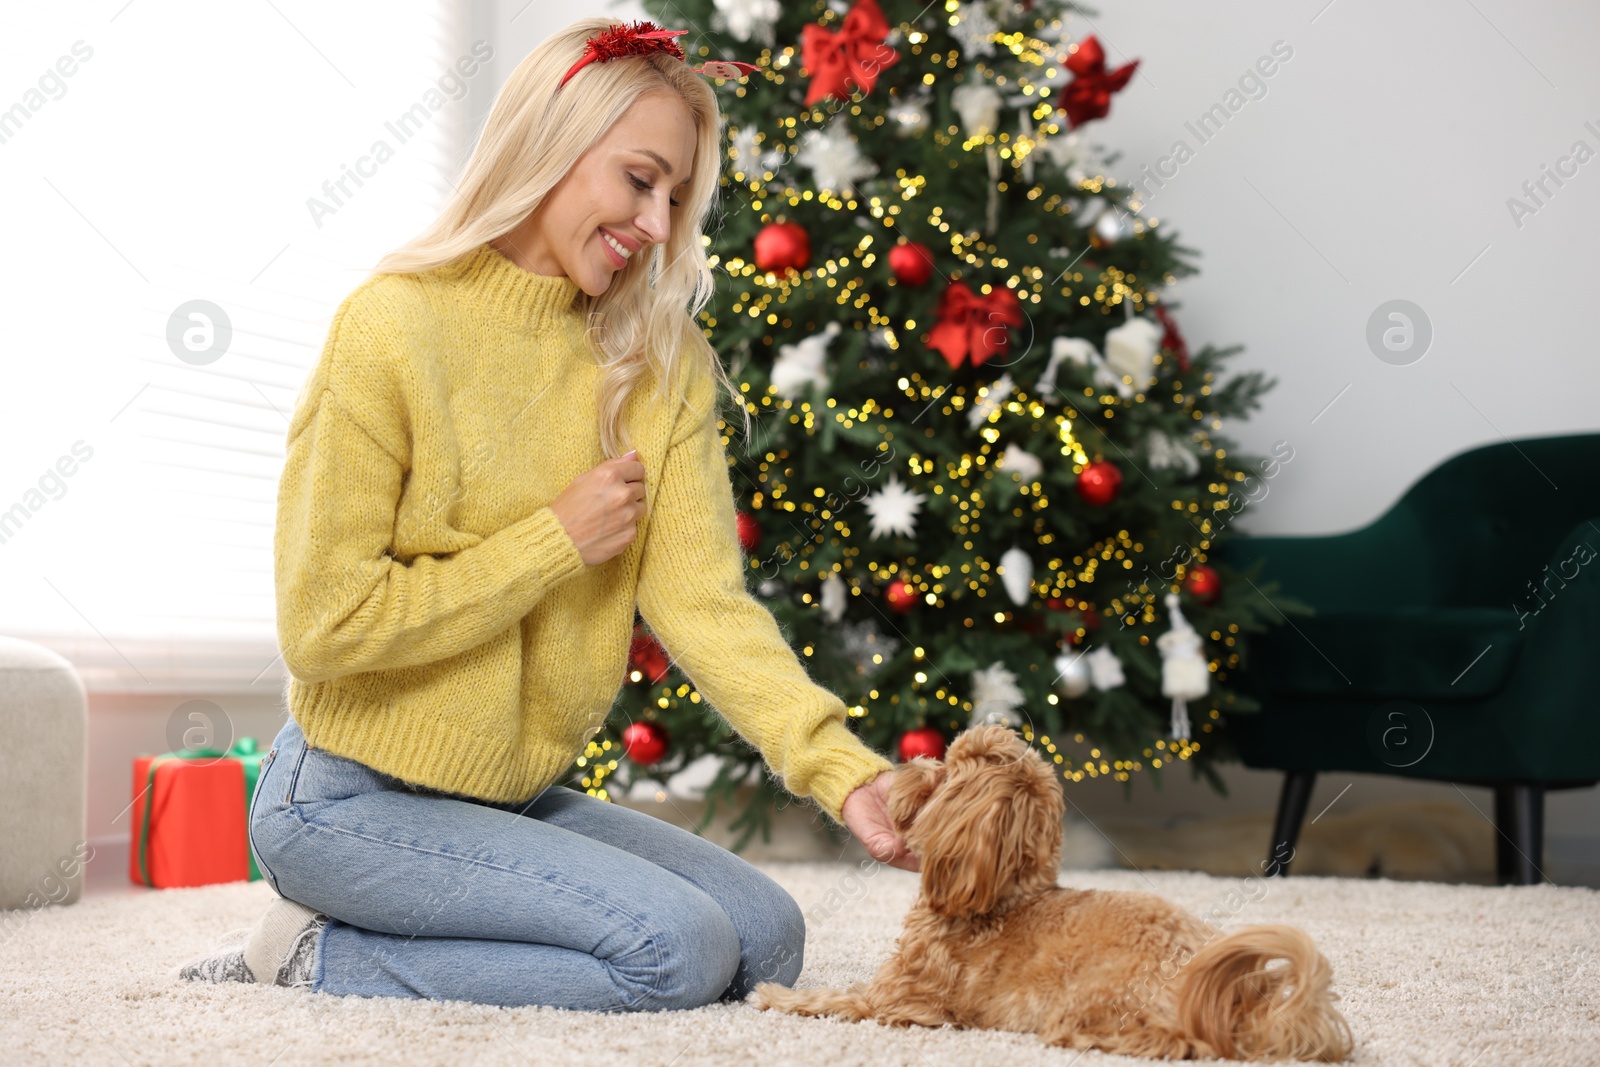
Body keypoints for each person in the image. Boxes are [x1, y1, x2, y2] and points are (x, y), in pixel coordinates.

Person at [178, 17, 919, 1011]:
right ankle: (308, 951)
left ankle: (393, 929)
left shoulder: (655, 361)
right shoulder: (394, 325)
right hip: (345, 798)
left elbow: (704, 602)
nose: (658, 225)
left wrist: (841, 769)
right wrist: (552, 544)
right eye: (640, 180)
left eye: (676, 197)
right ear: (553, 146)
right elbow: (323, 626)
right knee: (673, 951)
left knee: (763, 936)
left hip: (508, 795)